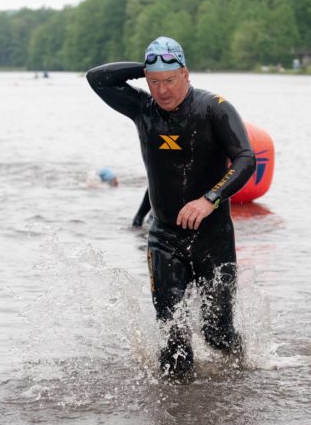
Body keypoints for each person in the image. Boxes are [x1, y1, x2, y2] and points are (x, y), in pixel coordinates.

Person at [86, 37, 255, 377]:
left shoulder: (214, 108)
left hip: (213, 237)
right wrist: (146, 67)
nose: (162, 91)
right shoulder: (142, 109)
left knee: (217, 334)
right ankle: (174, 419)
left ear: (186, 74)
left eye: (170, 80)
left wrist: (210, 199)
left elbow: (246, 159)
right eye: (154, 82)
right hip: (164, 239)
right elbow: (97, 78)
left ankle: (245, 373)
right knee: (173, 340)